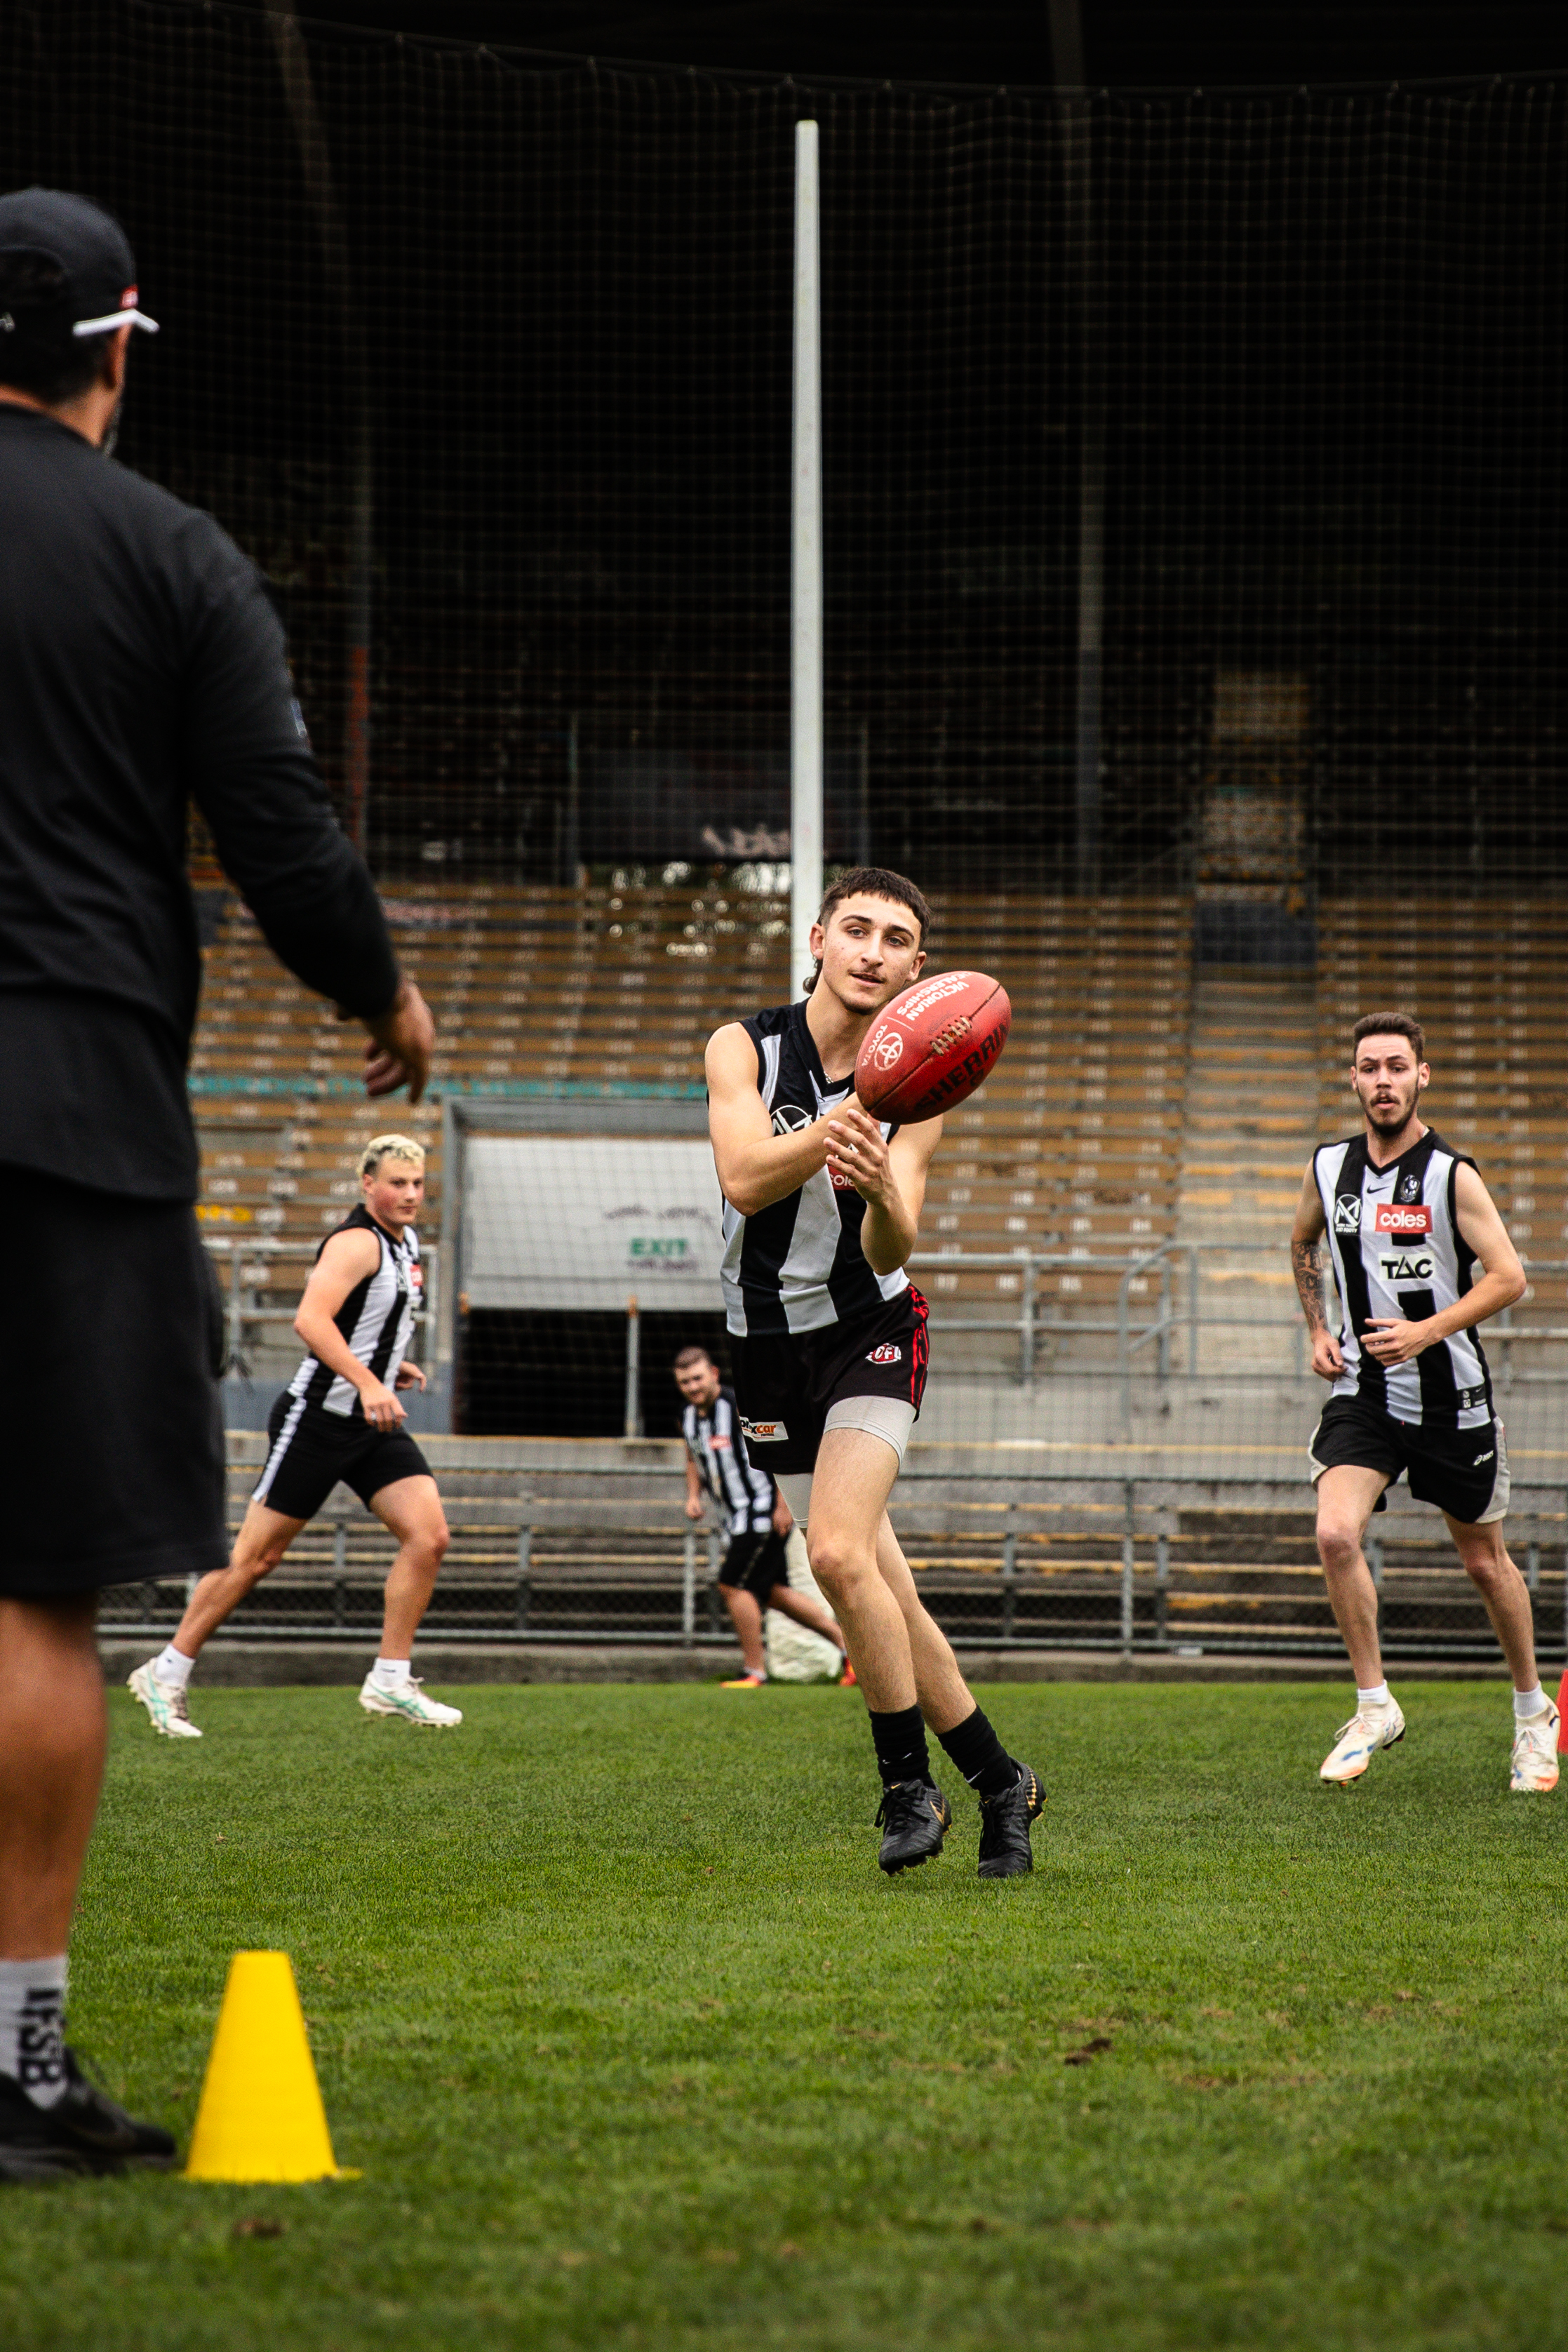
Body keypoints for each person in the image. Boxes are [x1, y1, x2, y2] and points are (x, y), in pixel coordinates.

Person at [0, 187, 434, 2181]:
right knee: (31, 1599)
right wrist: (388, 1000)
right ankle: (13, 2064)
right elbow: (284, 845)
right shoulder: (166, 555)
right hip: (61, 1101)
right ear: (116, 346)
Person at [706, 867, 1043, 1878]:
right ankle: (1001, 1783)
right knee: (885, 1588)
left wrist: (877, 1183)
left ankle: (906, 1786)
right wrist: (828, 1135)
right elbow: (739, 1174)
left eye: (894, 939)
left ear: (916, 968)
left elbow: (896, 1239)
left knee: (843, 1558)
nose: (871, 951)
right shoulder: (743, 1047)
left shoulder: (929, 1081)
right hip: (763, 1343)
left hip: (869, 1328)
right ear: (816, 938)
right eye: (854, 929)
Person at [1289, 1011, 1556, 1789]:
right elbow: (1301, 1241)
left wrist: (1426, 1331)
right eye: (1369, 1067)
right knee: (1336, 1534)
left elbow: (1510, 1276)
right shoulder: (1328, 1167)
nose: (1383, 1081)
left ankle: (1532, 1712)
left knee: (1483, 1561)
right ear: (1353, 1078)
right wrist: (1315, 1328)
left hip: (1450, 1399)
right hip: (1363, 1392)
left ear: (1420, 1076)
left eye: (1396, 1067)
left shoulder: (1451, 1174)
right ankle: (1375, 1705)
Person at [130, 1137, 459, 1733]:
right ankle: (166, 1671)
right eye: (397, 1183)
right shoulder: (356, 1242)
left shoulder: (405, 1241)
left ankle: (390, 1678)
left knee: (429, 1536)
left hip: (372, 1421)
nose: (411, 1195)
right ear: (367, 1184)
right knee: (256, 1557)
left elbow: (372, 1320)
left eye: (417, 1184)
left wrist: (389, 1368)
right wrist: (366, 1380)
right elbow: (309, 1319)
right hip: (318, 1420)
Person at [673, 1344, 857, 1688]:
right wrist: (693, 1496)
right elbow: (691, 1457)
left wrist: (783, 1505)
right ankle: (851, 1650)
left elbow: (778, 1450)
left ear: (713, 1375)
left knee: (732, 1584)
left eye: (697, 1379)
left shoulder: (740, 1406)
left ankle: (755, 1671)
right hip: (734, 1519)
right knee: (771, 1592)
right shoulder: (687, 1416)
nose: (692, 1388)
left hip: (760, 1514)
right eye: (684, 1382)